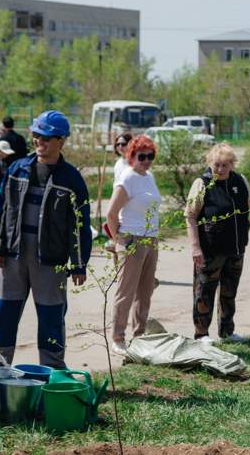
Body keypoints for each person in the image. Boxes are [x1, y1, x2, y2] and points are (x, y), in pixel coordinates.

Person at [0, 111, 91, 368]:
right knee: (4, 313)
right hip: (13, 255)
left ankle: (52, 370)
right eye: (36, 136)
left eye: (46, 138)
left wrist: (79, 263)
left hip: (50, 260)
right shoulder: (17, 169)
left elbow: (80, 224)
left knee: (51, 316)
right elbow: (2, 210)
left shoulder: (71, 179)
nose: (39, 142)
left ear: (61, 140)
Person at [185, 143, 250, 344]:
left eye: (225, 165)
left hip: (236, 248)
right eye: (217, 165)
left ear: (232, 164)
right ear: (210, 164)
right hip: (209, 250)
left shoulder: (240, 181)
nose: (220, 169)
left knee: (229, 292)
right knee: (204, 292)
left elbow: (248, 208)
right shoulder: (202, 183)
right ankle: (201, 335)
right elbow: (190, 216)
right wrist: (195, 247)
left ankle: (227, 332)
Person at [106, 135, 162, 355]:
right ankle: (118, 338)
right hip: (132, 239)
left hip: (151, 238)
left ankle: (139, 336)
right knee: (126, 291)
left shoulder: (150, 176)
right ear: (132, 156)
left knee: (145, 291)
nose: (146, 160)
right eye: (142, 156)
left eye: (150, 156)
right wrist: (118, 238)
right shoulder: (127, 178)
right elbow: (111, 213)